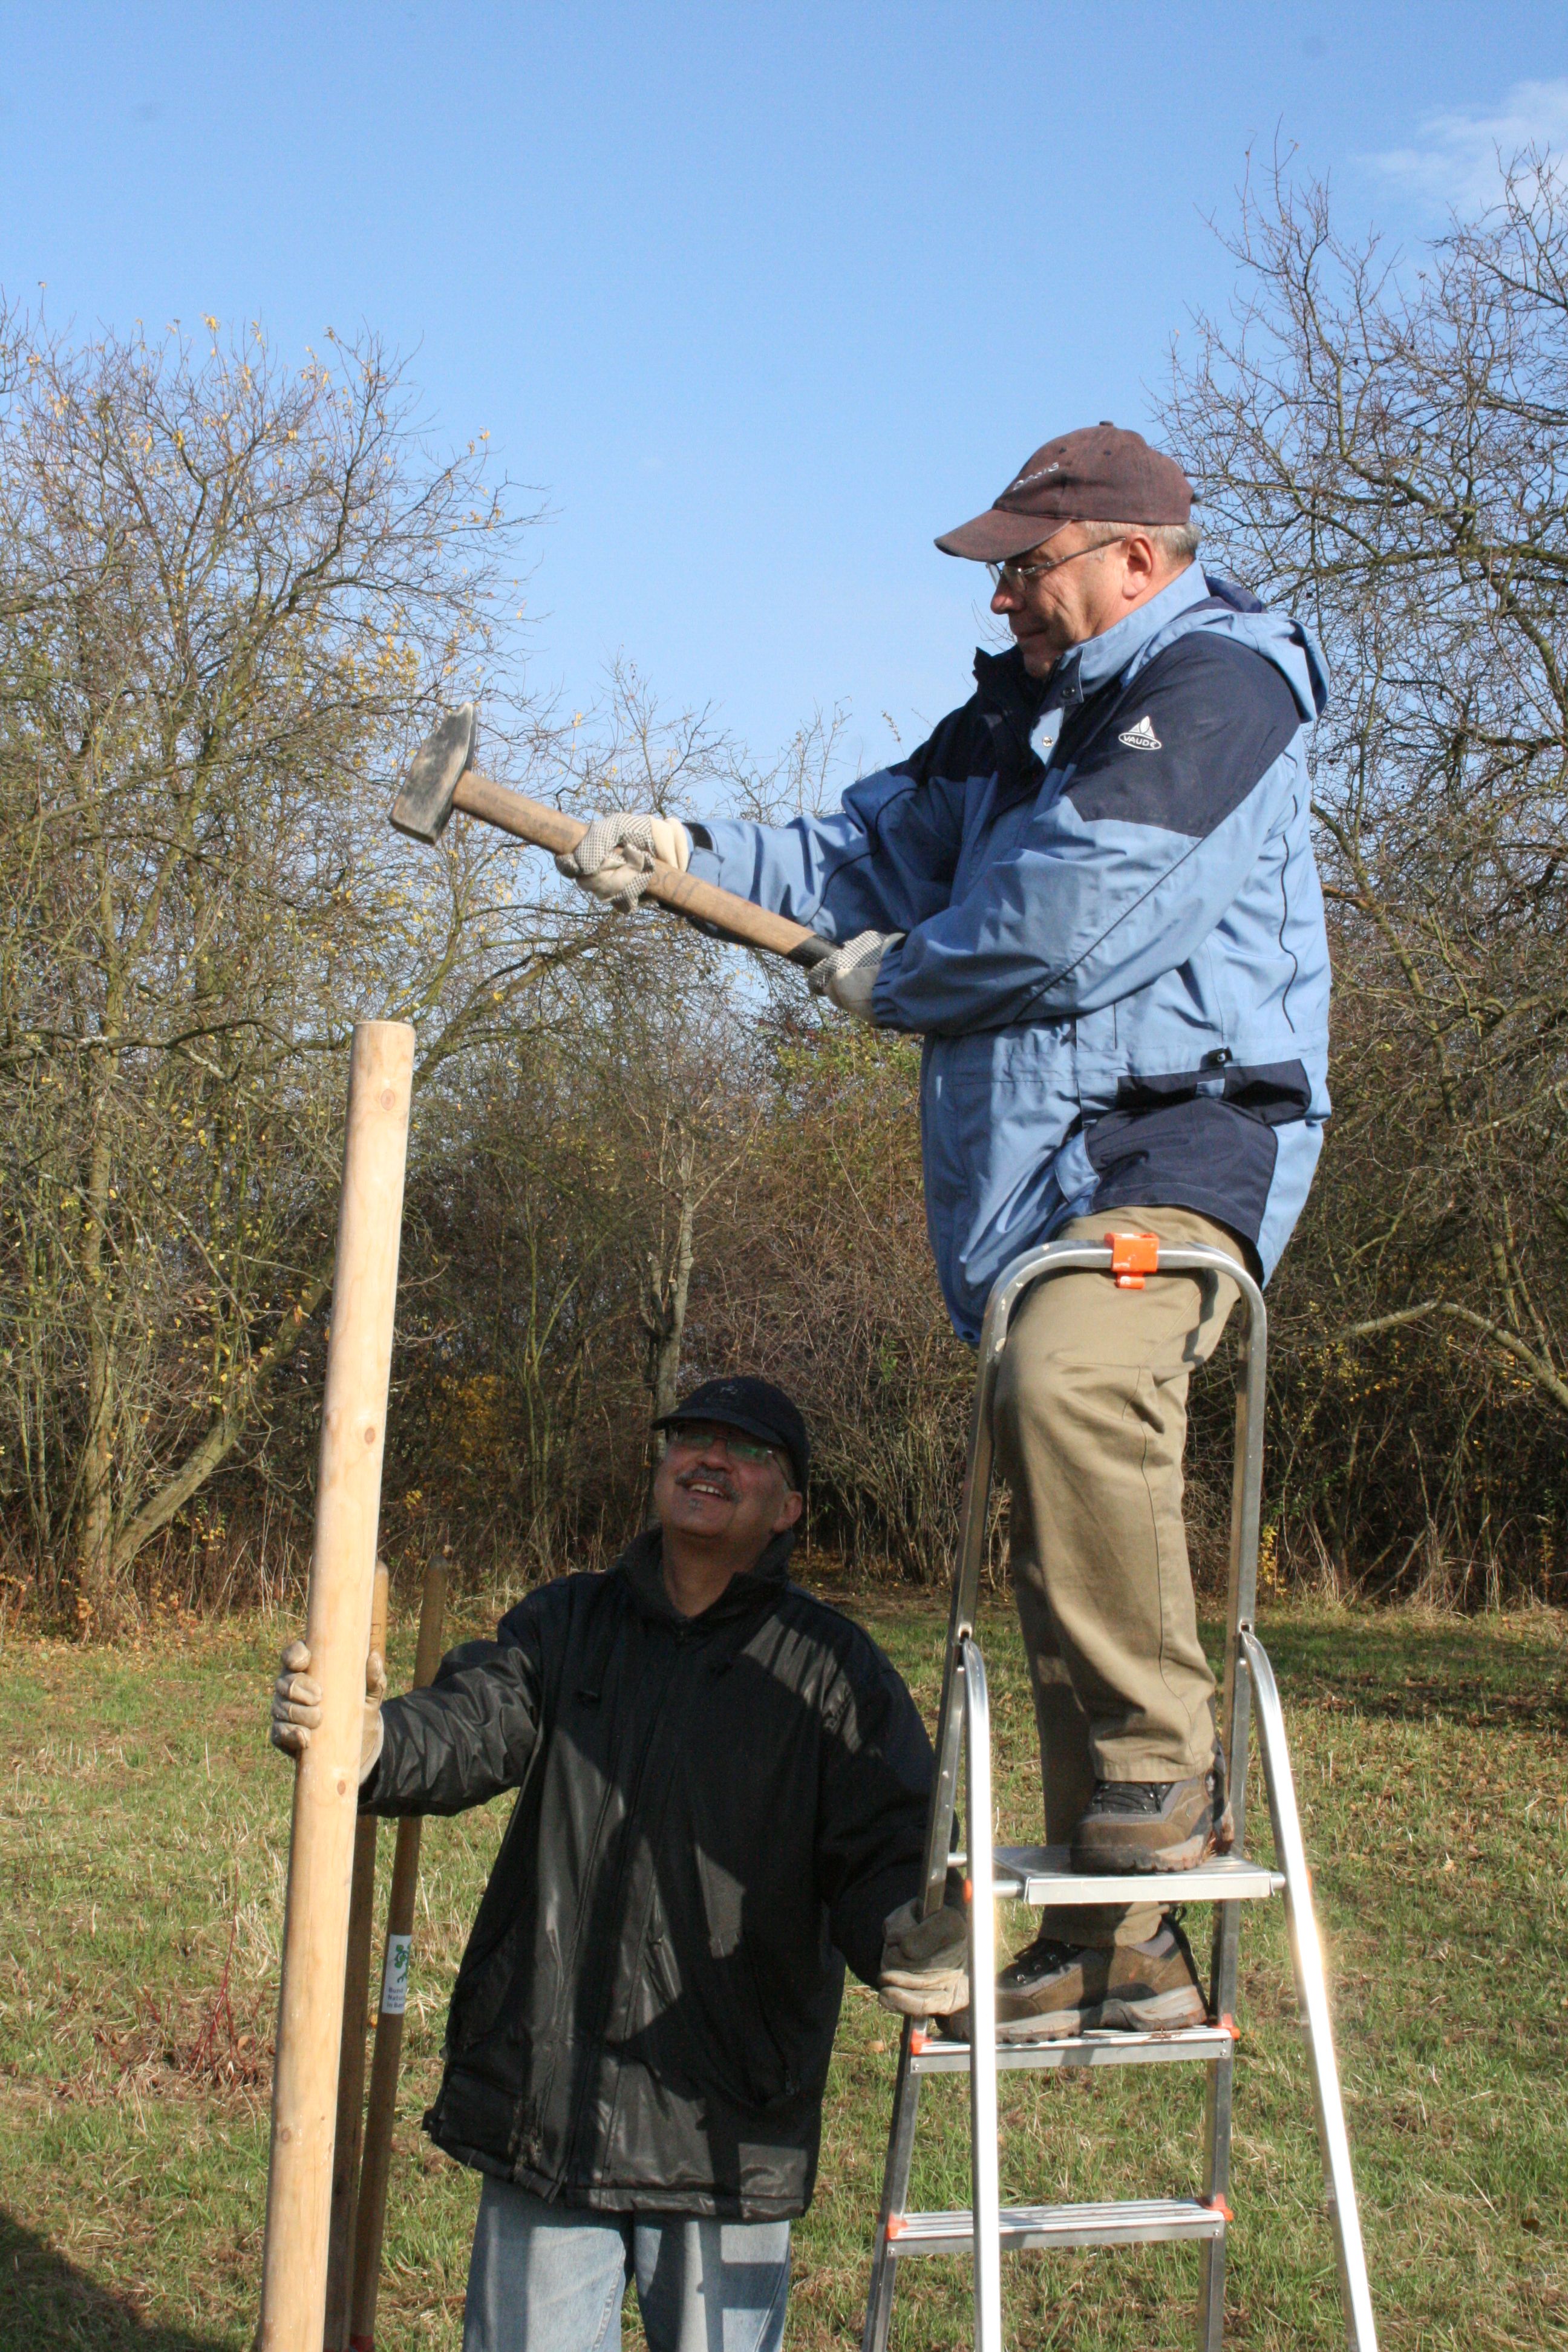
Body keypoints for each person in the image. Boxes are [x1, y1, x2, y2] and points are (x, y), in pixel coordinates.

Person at [557, 424, 1331, 2039]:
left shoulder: (1217, 695)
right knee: (1055, 1512)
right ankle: (1116, 1944)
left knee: (1067, 1386)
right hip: (1035, 1173)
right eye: (996, 576)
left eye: (1024, 571)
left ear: (1136, 556)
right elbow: (864, 852)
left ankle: (1153, 1801)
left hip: (1176, 1138)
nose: (1001, 606)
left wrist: (897, 977)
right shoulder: (1016, 720)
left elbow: (1076, 910)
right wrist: (693, 854)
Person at [269, 1376, 939, 2352]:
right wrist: (366, 1743)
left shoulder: (833, 1673)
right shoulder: (567, 1622)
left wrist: (914, 1939)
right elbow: (475, 1723)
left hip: (723, 2126)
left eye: (744, 1450)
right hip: (552, 2110)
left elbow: (885, 1847)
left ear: (790, 1506)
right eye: (689, 1439)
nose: (708, 1458)